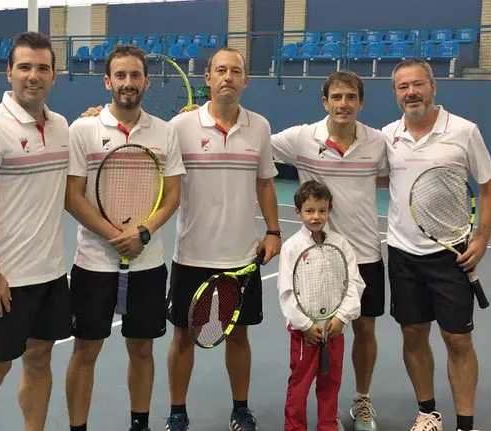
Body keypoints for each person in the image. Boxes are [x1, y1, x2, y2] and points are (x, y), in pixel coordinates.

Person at [63, 44, 185, 431]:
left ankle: (140, 424)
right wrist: (115, 235)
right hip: (93, 264)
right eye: (121, 75)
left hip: (148, 265)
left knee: (143, 349)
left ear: (146, 81)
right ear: (107, 81)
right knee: (85, 350)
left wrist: (144, 231)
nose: (128, 83)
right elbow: (72, 195)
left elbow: (174, 196)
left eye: (135, 75)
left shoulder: (165, 133)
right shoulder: (83, 129)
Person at [165, 47, 281, 431]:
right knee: (182, 339)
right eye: (221, 70)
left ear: (245, 80)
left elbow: (265, 183)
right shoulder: (179, 128)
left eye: (235, 71)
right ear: (208, 79)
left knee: (238, 337)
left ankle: (241, 409)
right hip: (192, 254)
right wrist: (95, 114)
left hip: (242, 255)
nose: (228, 76)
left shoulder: (260, 127)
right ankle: (178, 412)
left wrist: (273, 230)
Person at [0, 31, 71, 431]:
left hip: (51, 275)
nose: (33, 75)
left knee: (40, 358)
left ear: (54, 76)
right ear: (9, 72)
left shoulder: (61, 126)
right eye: (24, 66)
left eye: (42, 67)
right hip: (3, 282)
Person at [381, 59, 491, 431]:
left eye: (418, 84)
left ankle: (465, 424)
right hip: (402, 254)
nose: (411, 92)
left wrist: (481, 236)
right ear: (396, 93)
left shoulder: (463, 131)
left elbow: (488, 185)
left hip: (451, 254)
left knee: (457, 338)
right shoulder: (388, 135)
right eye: (403, 87)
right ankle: (428, 412)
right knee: (413, 333)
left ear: (433, 88)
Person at [268, 70, 388, 431]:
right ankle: (321, 411)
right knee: (320, 335)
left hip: (364, 254)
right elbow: (255, 143)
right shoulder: (301, 138)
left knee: (364, 330)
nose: (343, 104)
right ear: (325, 102)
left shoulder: (379, 142)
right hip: (317, 260)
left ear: (361, 102)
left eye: (351, 97)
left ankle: (362, 400)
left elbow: (394, 171)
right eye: (336, 97)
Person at [277, 180, 365, 431]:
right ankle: (294, 427)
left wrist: (343, 318)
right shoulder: (292, 247)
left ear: (329, 210)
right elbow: (286, 292)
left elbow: (354, 283)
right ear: (298, 212)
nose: (316, 216)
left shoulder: (340, 243)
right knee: (300, 383)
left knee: (331, 382)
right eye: (309, 210)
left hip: (334, 330)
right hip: (306, 334)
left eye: (322, 210)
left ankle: (327, 425)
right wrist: (305, 325)